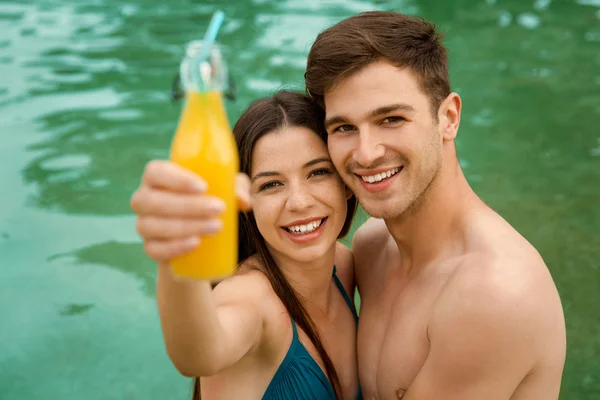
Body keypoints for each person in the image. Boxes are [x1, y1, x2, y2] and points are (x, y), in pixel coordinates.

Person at [303, 11, 567, 400]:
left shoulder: (491, 293)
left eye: (391, 119)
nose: (367, 152)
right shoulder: (373, 247)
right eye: (344, 128)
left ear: (449, 117)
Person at [130, 91, 361, 399]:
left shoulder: (346, 266)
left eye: (318, 172)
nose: (300, 201)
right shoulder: (250, 298)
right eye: (271, 185)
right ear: (245, 202)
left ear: (345, 181)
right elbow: (197, 354)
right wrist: (178, 249)